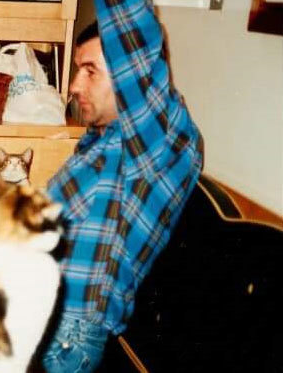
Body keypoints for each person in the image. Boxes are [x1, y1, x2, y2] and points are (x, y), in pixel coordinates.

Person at [43, 0, 204, 371]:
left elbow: (132, 30)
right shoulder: (103, 142)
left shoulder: (157, 144)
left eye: (90, 71)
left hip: (66, 332)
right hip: (37, 305)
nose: (72, 85)